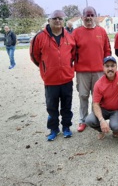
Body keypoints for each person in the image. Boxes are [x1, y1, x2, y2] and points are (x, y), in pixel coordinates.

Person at [30, 10, 75, 141]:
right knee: (52, 107)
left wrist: (66, 66)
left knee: (67, 106)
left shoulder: (69, 36)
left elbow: (73, 54)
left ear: (63, 21)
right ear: (49, 20)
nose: (57, 21)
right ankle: (53, 129)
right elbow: (34, 56)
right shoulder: (40, 37)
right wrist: (45, 67)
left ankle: (66, 127)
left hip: (66, 79)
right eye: (54, 18)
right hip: (50, 80)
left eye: (60, 18)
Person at [72, 6, 111, 132]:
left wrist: (107, 67)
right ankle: (83, 120)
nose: (89, 18)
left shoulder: (102, 31)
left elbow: (107, 50)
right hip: (82, 71)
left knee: (97, 97)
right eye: (86, 15)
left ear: (95, 16)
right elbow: (71, 52)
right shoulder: (76, 32)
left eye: (91, 15)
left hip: (99, 71)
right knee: (83, 95)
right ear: (82, 17)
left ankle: (94, 119)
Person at [85, 56, 118, 140]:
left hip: (117, 110)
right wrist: (102, 120)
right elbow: (95, 104)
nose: (110, 68)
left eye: (112, 66)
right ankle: (101, 130)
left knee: (115, 126)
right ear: (103, 68)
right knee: (89, 120)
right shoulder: (99, 84)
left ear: (116, 67)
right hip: (104, 109)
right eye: (107, 66)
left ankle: (116, 130)